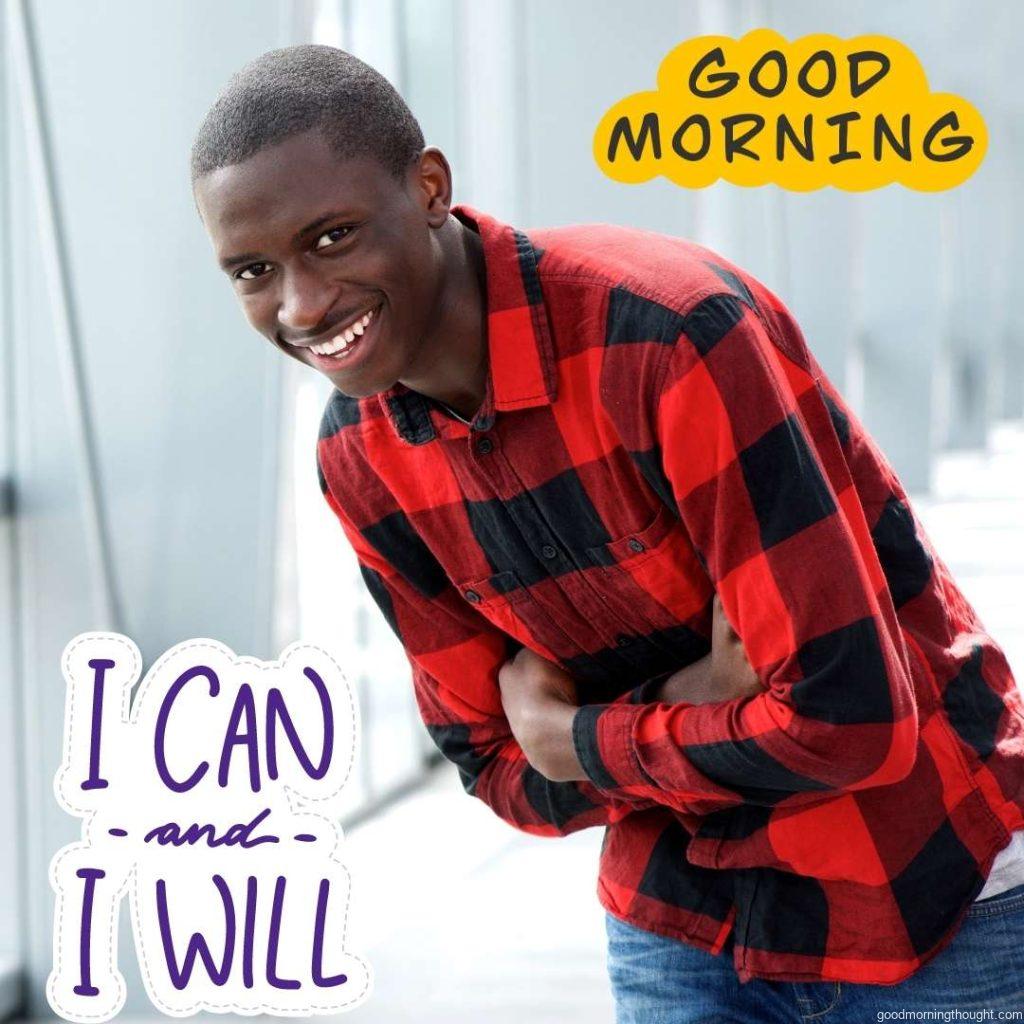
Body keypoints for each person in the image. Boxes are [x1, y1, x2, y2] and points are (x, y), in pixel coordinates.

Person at [190, 43, 1024, 1023]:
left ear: (427, 189)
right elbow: (495, 767)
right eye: (253, 270)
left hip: (919, 893)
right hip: (679, 917)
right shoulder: (360, 459)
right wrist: (694, 696)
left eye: (331, 237)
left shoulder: (667, 338)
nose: (299, 305)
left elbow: (849, 722)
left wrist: (575, 736)